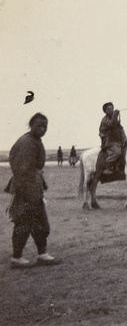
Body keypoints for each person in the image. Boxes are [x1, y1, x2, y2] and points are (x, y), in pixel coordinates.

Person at [5, 113, 61, 268]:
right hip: (26, 188)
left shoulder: (35, 140)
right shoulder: (26, 143)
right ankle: (17, 259)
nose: (42, 129)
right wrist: (30, 194)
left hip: (34, 187)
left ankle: (42, 254)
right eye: (39, 126)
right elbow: (22, 170)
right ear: (31, 125)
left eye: (45, 126)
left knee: (40, 223)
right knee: (23, 222)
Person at [96, 102, 127, 176]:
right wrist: (115, 115)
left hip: (117, 141)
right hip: (109, 142)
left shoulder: (114, 119)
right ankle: (107, 168)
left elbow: (120, 129)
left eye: (112, 109)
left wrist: (124, 140)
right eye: (109, 109)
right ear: (105, 111)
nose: (111, 110)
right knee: (117, 153)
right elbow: (111, 124)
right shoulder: (104, 120)